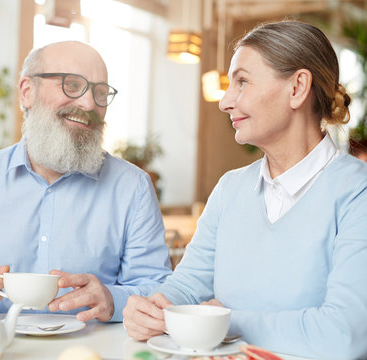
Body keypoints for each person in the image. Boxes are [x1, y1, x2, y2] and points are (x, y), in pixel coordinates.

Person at [123, 20, 367, 359]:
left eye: (242, 82)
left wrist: (223, 320)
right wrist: (155, 308)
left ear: (297, 88)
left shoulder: (358, 192)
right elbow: (188, 286)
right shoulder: (230, 188)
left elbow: (344, 335)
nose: (225, 102)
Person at [0, 41, 172, 322]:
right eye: (71, 85)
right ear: (27, 92)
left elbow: (159, 290)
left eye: (101, 92)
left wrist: (112, 301)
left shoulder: (133, 187)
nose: (89, 104)